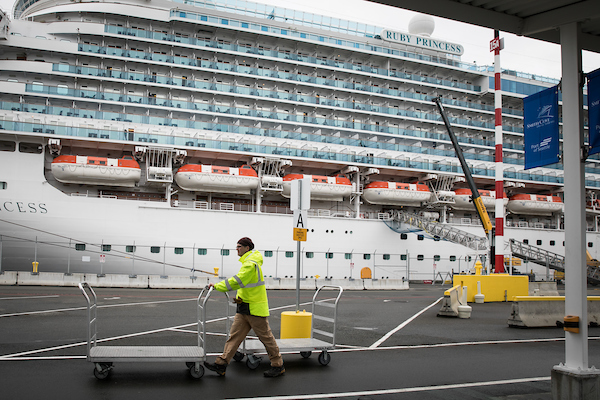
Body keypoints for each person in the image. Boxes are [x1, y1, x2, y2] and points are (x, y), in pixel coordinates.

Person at [204, 237, 285, 378]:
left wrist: (217, 286)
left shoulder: (250, 264)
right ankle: (221, 364)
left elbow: (237, 281)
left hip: (254, 309)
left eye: (239, 246)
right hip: (244, 307)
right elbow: (242, 282)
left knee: (266, 338)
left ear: (247, 248)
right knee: (234, 337)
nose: (237, 249)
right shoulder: (248, 262)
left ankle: (278, 365)